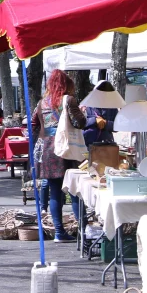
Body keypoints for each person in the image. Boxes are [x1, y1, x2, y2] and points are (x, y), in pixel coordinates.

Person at [31, 69, 86, 242]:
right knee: (74, 189)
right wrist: (82, 111)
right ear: (66, 84)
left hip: (46, 149)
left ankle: (59, 232)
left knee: (55, 192)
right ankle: (83, 231)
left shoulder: (41, 103)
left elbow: (32, 124)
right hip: (66, 148)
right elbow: (80, 122)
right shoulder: (68, 100)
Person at [82, 81, 118, 146]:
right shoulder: (86, 106)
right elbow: (80, 123)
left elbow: (117, 126)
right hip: (88, 143)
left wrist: (105, 123)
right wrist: (94, 120)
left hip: (106, 144)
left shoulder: (113, 108)